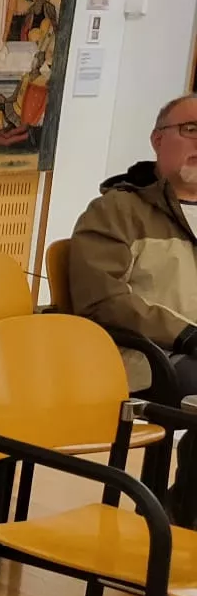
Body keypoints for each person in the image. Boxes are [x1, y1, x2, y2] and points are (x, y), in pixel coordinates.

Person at [71, 93, 197, 508]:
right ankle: (179, 515)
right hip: (141, 357)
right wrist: (184, 334)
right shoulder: (117, 210)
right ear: (157, 140)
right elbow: (102, 299)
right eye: (191, 130)